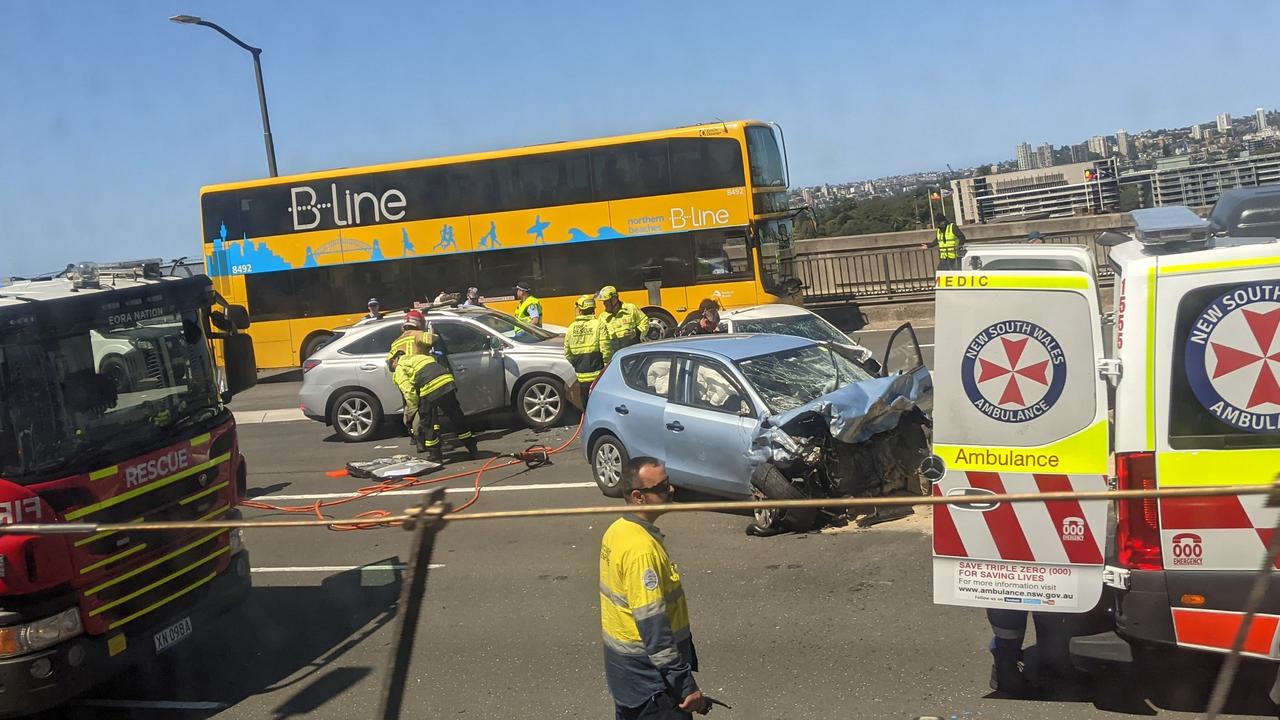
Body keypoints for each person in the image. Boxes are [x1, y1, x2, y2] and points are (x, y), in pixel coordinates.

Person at [599, 458, 710, 719]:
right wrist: (685, 686)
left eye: (668, 483)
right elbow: (654, 628)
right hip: (654, 686)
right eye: (661, 487)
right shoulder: (641, 551)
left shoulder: (617, 531)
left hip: (627, 680)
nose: (670, 490)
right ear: (638, 497)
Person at [387, 349, 477, 462]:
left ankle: (435, 455)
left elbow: (408, 391)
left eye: (391, 363)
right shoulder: (418, 356)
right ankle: (472, 447)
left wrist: (413, 407)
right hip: (447, 382)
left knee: (428, 423)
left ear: (395, 359)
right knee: (456, 416)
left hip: (430, 387)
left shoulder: (400, 367)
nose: (392, 366)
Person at [564, 295, 612, 401]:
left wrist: (577, 364)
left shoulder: (571, 328)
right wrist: (606, 367)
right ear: (593, 309)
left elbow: (567, 353)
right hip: (598, 376)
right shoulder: (599, 324)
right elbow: (606, 349)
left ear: (580, 310)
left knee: (586, 404)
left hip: (581, 376)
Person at [599, 285, 650, 352]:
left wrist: (636, 332)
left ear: (614, 299)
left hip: (633, 349)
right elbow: (603, 341)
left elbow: (644, 321)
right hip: (616, 353)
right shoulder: (602, 317)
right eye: (603, 302)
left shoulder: (630, 308)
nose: (604, 304)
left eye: (606, 301)